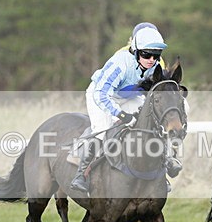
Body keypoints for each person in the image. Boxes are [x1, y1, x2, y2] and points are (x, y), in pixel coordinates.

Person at [70, 22, 179, 193]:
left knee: (151, 122)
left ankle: (164, 165)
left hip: (129, 95)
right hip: (102, 94)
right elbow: (101, 94)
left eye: (156, 55)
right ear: (135, 50)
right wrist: (119, 114)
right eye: (147, 55)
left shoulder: (157, 64)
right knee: (104, 129)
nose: (152, 60)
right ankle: (81, 174)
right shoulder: (120, 62)